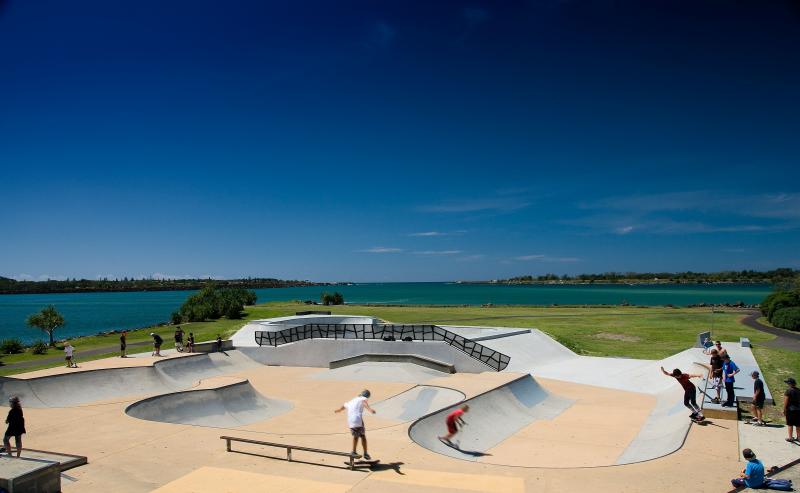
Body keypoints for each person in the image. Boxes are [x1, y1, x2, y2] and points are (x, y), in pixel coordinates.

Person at [334, 389, 376, 460]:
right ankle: (365, 453)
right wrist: (370, 409)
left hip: (350, 420)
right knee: (363, 436)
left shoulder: (353, 400)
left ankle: (353, 451)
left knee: (355, 436)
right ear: (367, 396)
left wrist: (339, 410)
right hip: (357, 419)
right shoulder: (363, 398)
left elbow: (344, 405)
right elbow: (364, 402)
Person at [785, 377, 800, 442]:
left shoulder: (788, 391)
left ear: (790, 383)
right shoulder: (799, 390)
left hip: (790, 410)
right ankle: (799, 438)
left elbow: (786, 401)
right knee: (798, 424)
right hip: (799, 409)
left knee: (790, 424)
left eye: (787, 383)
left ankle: (790, 437)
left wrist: (784, 409)